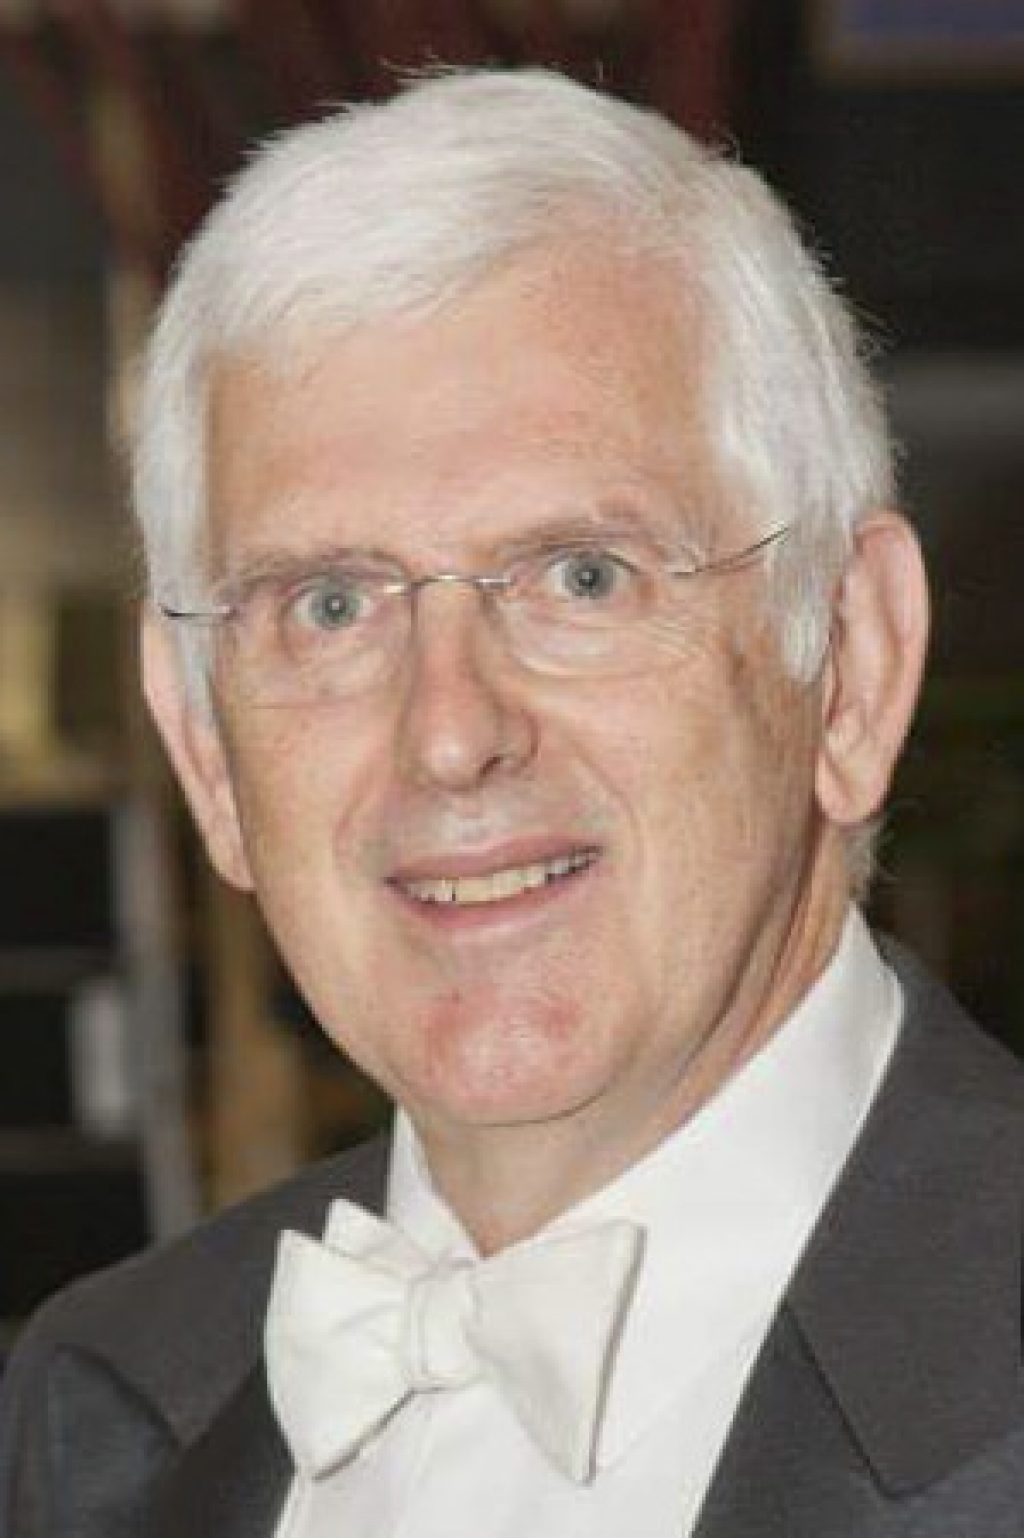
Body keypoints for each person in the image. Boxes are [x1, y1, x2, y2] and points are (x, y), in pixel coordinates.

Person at [2, 66, 1023, 1538]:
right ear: (205, 747)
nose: (450, 735)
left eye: (581, 576)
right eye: (330, 604)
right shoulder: (96, 1409)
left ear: (852, 663)